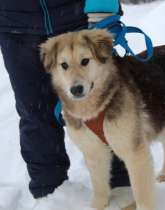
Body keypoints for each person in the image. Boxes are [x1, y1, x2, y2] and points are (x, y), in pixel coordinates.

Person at [0, 0, 129, 199]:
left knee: (105, 102)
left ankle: (120, 178)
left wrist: (102, 6)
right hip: (16, 25)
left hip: (79, 17)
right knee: (34, 112)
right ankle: (49, 192)